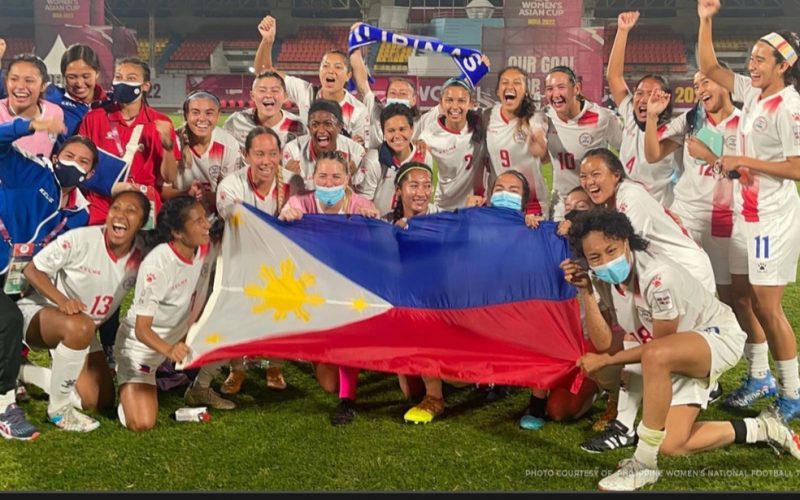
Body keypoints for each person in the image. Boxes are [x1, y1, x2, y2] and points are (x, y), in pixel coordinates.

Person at [564, 209, 799, 491]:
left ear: (625, 241)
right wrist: (587, 292)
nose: (605, 261)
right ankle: (764, 428)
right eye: (595, 257)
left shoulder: (659, 278)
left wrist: (606, 360)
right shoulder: (600, 278)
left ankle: (643, 464)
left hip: (716, 336)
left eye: (610, 250)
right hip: (674, 349)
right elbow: (605, 341)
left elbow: (658, 350)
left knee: (652, 358)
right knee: (674, 443)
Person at [697, 0, 800, 421]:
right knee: (742, 299)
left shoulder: (789, 107)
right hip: (748, 214)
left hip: (771, 221)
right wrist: (705, 20)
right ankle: (760, 377)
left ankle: (791, 394)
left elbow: (797, 167)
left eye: (760, 60)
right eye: (751, 58)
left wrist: (745, 162)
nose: (751, 66)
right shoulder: (754, 93)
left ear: (783, 66)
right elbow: (710, 66)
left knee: (767, 308)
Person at [17, 191, 148, 432]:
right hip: (40, 312)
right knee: (81, 326)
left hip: (83, 330)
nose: (120, 215)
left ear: (142, 222)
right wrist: (62, 301)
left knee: (99, 401)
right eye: (116, 208)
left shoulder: (143, 254)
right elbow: (32, 270)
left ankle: (25, 372)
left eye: (131, 211)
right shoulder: (81, 239)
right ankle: (59, 410)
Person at [279, 150, 379, 426]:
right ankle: (322, 350)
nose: (329, 182)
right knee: (327, 384)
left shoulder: (360, 205)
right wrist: (285, 219)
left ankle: (348, 399)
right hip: (313, 292)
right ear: (313, 177)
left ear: (347, 178)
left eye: (336, 176)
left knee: (348, 337)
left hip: (349, 292)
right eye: (322, 176)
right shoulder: (300, 203)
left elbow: (376, 252)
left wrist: (372, 225)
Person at [115, 196, 214, 432]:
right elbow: (141, 329)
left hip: (173, 344)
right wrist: (169, 351)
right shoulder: (158, 264)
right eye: (198, 221)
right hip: (140, 349)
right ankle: (123, 382)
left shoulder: (206, 247)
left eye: (205, 218)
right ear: (178, 233)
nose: (206, 225)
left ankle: (202, 387)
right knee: (142, 423)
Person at [578, 148, 716, 293]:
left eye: (596, 174)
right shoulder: (611, 202)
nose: (589, 182)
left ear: (616, 175)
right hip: (663, 270)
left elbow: (629, 245)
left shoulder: (630, 197)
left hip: (686, 268)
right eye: (583, 176)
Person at [216, 127, 290, 395]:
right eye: (259, 154)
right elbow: (236, 220)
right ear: (246, 155)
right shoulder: (230, 184)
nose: (266, 161)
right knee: (235, 313)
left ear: (280, 154)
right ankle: (237, 368)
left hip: (280, 262)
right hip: (240, 257)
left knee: (282, 311)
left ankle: (275, 366)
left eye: (272, 153)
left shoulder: (293, 182)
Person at [78, 57, 180, 226]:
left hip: (144, 204)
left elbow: (169, 177)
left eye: (131, 78)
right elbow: (80, 164)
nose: (122, 82)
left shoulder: (160, 122)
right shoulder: (94, 119)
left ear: (145, 86)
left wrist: (168, 149)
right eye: (118, 77)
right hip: (102, 203)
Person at [0, 118, 95, 278]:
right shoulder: (32, 171)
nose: (74, 164)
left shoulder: (80, 214)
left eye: (83, 161)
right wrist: (29, 125)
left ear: (90, 174)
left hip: (19, 279)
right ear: (55, 159)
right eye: (69, 156)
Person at [606, 11, 681, 207]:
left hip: (658, 211)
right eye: (639, 93)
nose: (644, 99)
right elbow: (614, 77)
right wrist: (622, 31)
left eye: (652, 94)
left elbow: (654, 156)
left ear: (665, 99)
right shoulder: (630, 114)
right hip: (626, 207)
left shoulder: (674, 131)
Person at [254, 16, 369, 142]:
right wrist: (267, 41)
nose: (330, 70)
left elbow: (360, 149)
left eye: (337, 67)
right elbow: (264, 73)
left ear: (348, 75)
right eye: (325, 66)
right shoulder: (305, 92)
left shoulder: (358, 111)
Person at [536, 66, 622, 220]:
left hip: (593, 200)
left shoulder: (602, 118)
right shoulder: (544, 117)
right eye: (549, 89)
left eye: (561, 87)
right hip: (562, 202)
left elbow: (625, 151)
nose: (555, 94)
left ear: (576, 89)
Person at [483, 65, 549, 217]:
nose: (510, 86)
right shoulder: (487, 116)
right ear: (497, 90)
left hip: (532, 203)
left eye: (517, 82)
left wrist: (540, 149)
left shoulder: (535, 118)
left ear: (526, 91)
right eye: (505, 82)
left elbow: (544, 154)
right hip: (498, 199)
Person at [416, 78, 483, 211]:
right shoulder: (429, 136)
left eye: (461, 101)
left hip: (476, 206)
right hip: (443, 208)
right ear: (441, 102)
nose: (455, 106)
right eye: (449, 100)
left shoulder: (482, 123)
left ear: (470, 104)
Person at [173, 91, 242, 215]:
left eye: (209, 113)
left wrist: (206, 196)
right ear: (186, 115)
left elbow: (229, 194)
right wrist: (185, 194)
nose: (202, 119)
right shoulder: (173, 142)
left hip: (212, 214)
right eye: (195, 112)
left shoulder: (229, 144)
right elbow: (162, 191)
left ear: (218, 115)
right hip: (176, 213)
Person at [357, 103, 433, 217]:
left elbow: (426, 196)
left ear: (411, 130)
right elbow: (363, 203)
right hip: (379, 223)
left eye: (402, 129)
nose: (397, 135)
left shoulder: (424, 156)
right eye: (391, 131)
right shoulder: (373, 160)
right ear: (383, 133)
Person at [222, 70, 306, 165]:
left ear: (285, 96)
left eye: (275, 90)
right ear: (252, 95)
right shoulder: (235, 122)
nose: (268, 95)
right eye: (262, 90)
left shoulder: (299, 126)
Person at [281, 99, 365, 192]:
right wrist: (290, 179)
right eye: (315, 125)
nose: (321, 130)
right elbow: (283, 196)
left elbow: (359, 198)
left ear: (339, 127)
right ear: (309, 128)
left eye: (328, 124)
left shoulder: (355, 152)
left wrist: (348, 181)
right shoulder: (293, 151)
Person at [44, 44, 108, 150]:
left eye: (86, 76)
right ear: (63, 75)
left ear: (97, 73)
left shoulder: (111, 103)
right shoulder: (52, 96)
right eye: (72, 77)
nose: (79, 83)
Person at [0, 53, 64, 157]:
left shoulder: (55, 112)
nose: (20, 86)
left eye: (29, 80)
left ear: (43, 85)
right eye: (14, 79)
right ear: (6, 81)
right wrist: (31, 125)